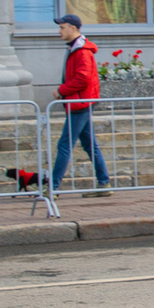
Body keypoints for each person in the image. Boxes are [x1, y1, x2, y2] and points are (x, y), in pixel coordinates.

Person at [51, 13, 113, 195]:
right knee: (89, 145)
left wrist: (62, 90)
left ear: (73, 28)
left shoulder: (82, 51)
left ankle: (52, 187)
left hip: (80, 103)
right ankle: (104, 183)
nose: (59, 31)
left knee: (64, 145)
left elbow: (82, 79)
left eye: (62, 27)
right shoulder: (76, 48)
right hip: (80, 102)